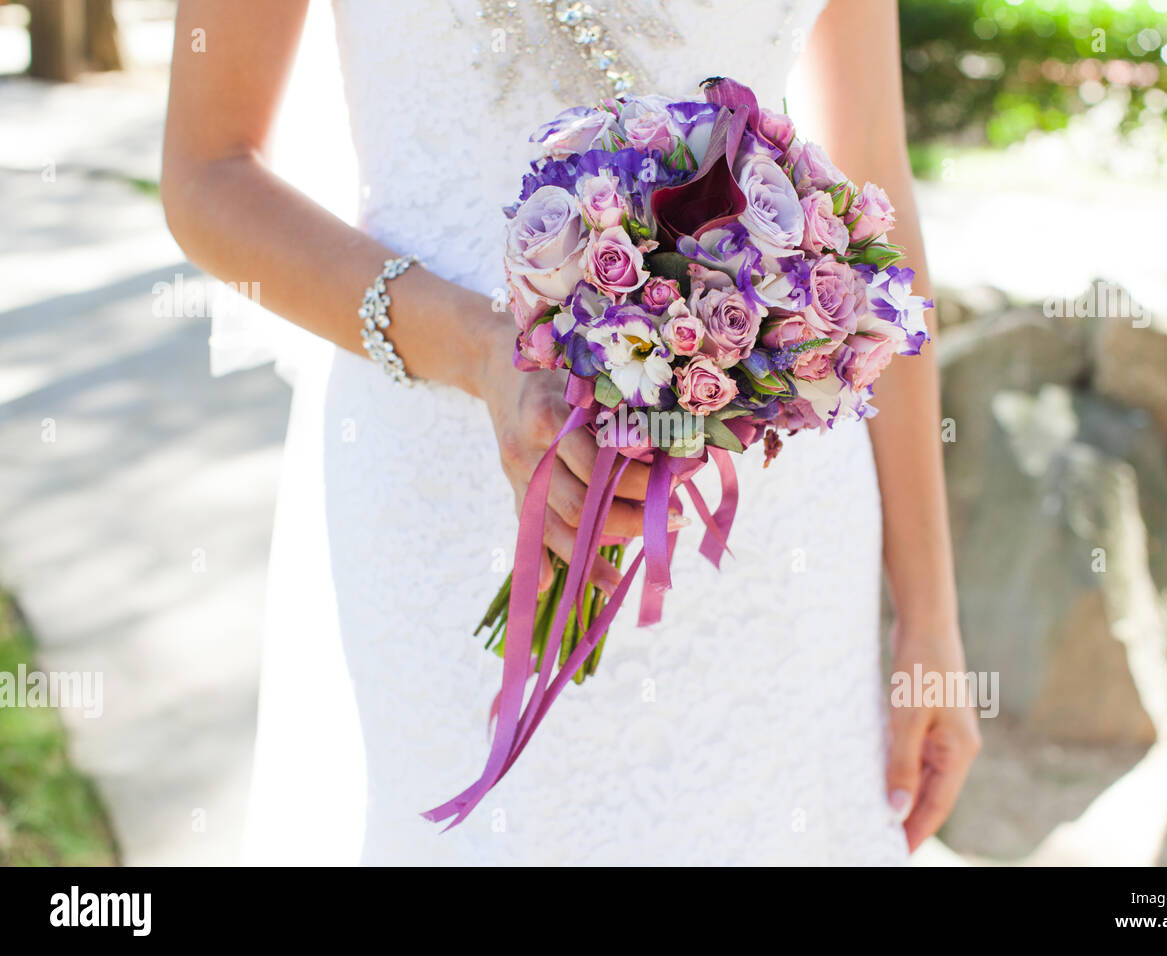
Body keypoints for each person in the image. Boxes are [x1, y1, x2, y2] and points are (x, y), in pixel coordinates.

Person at [161, 0, 980, 865]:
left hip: (776, 547)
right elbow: (208, 172)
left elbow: (874, 182)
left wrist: (930, 620)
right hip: (442, 505)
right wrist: (483, 353)